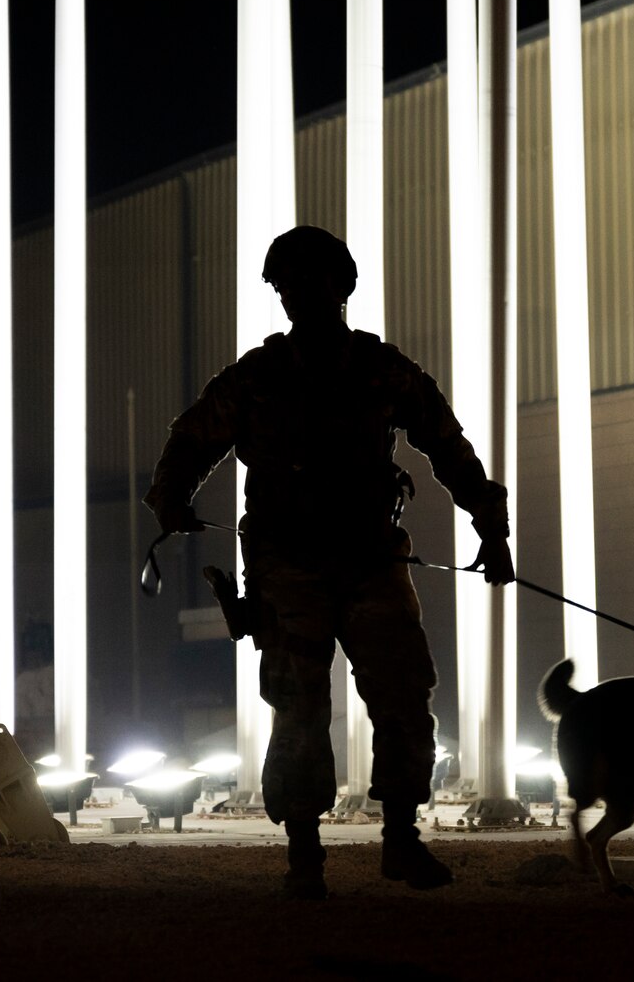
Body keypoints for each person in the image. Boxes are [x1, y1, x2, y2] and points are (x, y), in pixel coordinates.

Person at [145, 225, 514, 900]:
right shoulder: (261, 376)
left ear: (340, 288)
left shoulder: (376, 368)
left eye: (306, 283)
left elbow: (444, 439)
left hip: (369, 561)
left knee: (403, 698)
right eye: (287, 286)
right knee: (298, 709)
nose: (297, 296)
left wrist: (491, 524)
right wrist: (170, 498)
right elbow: (190, 439)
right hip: (291, 570)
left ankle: (398, 837)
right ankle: (305, 854)